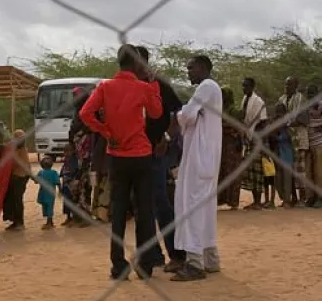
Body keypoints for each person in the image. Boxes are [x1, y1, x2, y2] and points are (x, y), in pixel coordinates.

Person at [79, 43, 162, 280]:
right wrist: (153, 85)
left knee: (117, 212)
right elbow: (156, 113)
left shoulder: (105, 87)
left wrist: (106, 132)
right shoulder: (143, 87)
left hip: (117, 156)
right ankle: (145, 264)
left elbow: (85, 113)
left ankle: (118, 265)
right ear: (137, 63)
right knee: (144, 211)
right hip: (141, 155)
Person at [171, 55, 222, 282]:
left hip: (200, 157)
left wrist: (180, 114)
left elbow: (187, 114)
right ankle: (210, 259)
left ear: (202, 68)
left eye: (191, 68)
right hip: (206, 156)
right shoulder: (212, 88)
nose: (188, 72)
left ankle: (194, 263)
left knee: (192, 206)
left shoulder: (206, 87)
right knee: (205, 207)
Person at [135, 45, 186, 273]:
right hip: (134, 152)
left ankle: (177, 254)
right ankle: (153, 256)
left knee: (161, 203)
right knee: (140, 205)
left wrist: (166, 136)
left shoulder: (160, 85)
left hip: (156, 151)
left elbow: (178, 112)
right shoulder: (129, 86)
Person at [278, 76, 308, 205]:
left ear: (296, 86)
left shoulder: (301, 99)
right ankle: (292, 197)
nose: (287, 87)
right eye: (285, 84)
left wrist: (288, 122)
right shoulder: (282, 99)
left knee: (300, 170)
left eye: (289, 85)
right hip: (286, 140)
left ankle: (302, 198)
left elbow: (303, 118)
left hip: (299, 138)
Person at [68, 86, 94, 228]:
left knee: (84, 183)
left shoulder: (87, 113)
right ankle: (77, 216)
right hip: (77, 153)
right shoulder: (77, 113)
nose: (73, 100)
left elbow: (86, 133)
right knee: (76, 184)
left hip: (85, 153)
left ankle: (85, 216)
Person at [240, 78, 268, 210]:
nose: (243, 88)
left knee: (257, 171)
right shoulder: (244, 100)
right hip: (247, 139)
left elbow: (263, 122)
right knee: (250, 171)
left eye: (246, 86)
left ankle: (258, 201)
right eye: (243, 86)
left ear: (252, 86)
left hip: (256, 140)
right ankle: (254, 201)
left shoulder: (258, 102)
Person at [218, 87, 244, 210]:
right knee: (222, 171)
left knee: (232, 170)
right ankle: (221, 199)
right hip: (221, 143)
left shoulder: (233, 111)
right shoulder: (219, 109)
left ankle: (233, 201)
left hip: (232, 144)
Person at [3, 129, 32, 231]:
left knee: (17, 200)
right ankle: (15, 221)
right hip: (18, 176)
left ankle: (19, 222)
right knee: (13, 199)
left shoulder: (21, 150)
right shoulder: (17, 148)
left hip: (20, 177)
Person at [305, 84, 322, 207]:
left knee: (319, 172)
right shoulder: (306, 107)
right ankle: (311, 197)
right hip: (308, 143)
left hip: (319, 143)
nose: (310, 96)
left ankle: (320, 198)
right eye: (308, 94)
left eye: (312, 93)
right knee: (309, 172)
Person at [35, 156, 60, 230]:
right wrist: (60, 191)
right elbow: (58, 182)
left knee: (46, 207)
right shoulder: (54, 172)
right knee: (50, 207)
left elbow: (36, 181)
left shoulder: (41, 172)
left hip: (44, 193)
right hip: (51, 193)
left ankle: (49, 223)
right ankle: (50, 222)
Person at [60, 143, 78, 226]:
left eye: (68, 151)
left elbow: (74, 170)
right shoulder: (66, 160)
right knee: (66, 202)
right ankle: (68, 218)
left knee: (72, 201)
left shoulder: (74, 160)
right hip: (65, 184)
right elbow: (62, 171)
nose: (66, 153)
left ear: (73, 151)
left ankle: (74, 219)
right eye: (65, 151)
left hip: (71, 185)